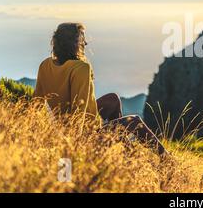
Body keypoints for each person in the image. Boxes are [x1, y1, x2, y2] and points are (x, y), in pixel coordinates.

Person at [33, 23, 167, 155]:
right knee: (134, 121)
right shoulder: (81, 68)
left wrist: (32, 133)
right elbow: (79, 112)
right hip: (86, 135)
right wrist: (76, 145)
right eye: (81, 39)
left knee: (113, 99)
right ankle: (167, 162)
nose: (85, 44)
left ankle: (123, 147)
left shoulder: (45, 65)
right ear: (73, 44)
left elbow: (35, 104)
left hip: (65, 127)